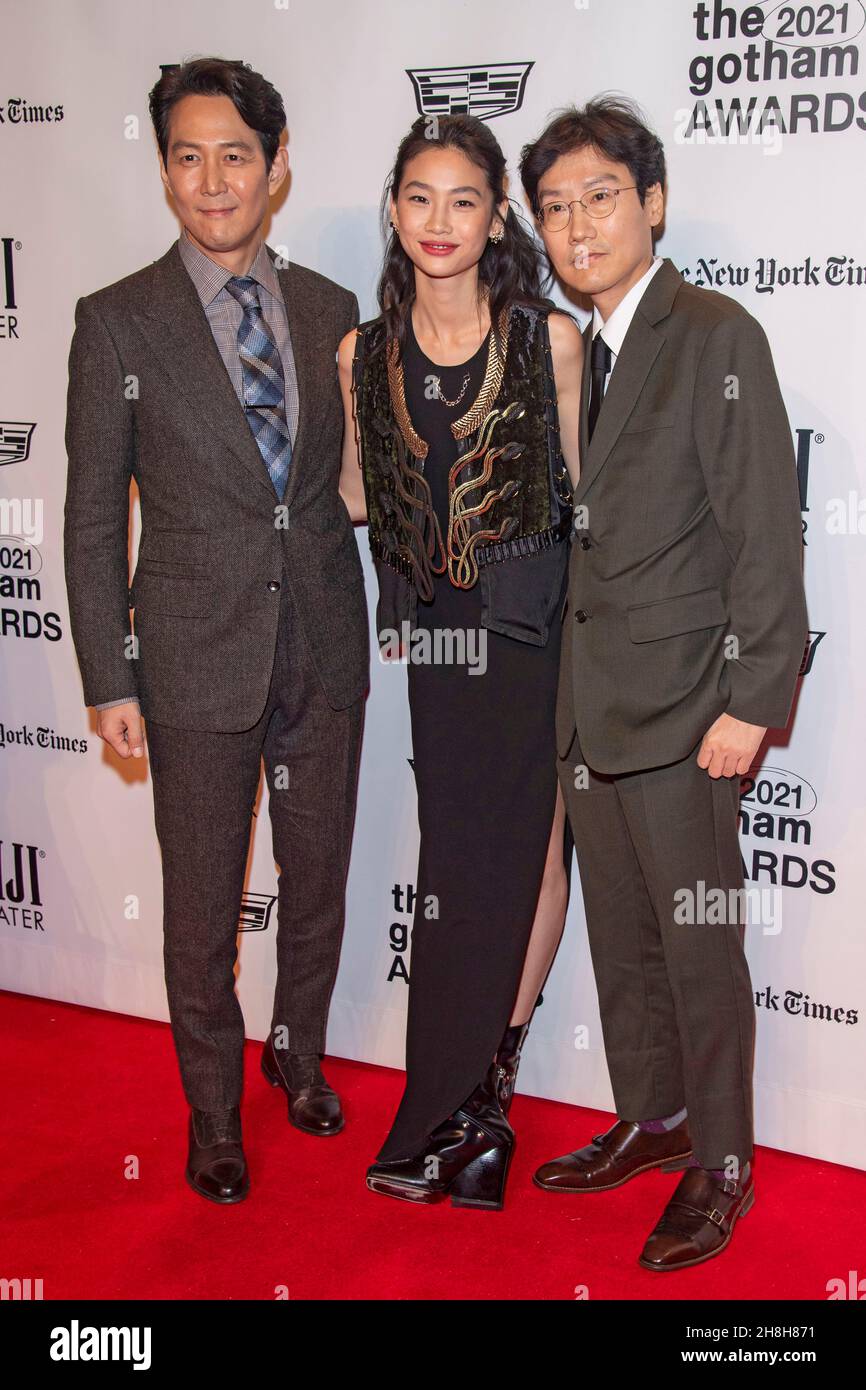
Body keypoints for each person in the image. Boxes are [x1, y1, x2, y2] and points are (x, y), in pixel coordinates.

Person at [63, 58, 369, 1205]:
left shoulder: (333, 310)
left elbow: (346, 484)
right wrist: (109, 673)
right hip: (190, 658)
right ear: (162, 171)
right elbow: (93, 513)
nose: (212, 178)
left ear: (277, 167)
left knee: (321, 877)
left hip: (324, 640)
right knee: (199, 909)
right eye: (187, 155)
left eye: (235, 154)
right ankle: (211, 1114)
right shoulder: (117, 321)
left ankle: (299, 1052)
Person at [519, 95, 808, 1268]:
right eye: (551, 206)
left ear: (650, 203)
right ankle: (652, 1119)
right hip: (592, 705)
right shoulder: (570, 344)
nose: (575, 224)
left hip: (693, 707)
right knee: (624, 940)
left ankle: (723, 1160)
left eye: (598, 196)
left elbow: (759, 532)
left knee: (696, 944)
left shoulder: (711, 333)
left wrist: (751, 702)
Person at [337, 114, 583, 1209]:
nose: (440, 222)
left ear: (494, 219)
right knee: (453, 861)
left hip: (534, 631)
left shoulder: (548, 340)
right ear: (394, 209)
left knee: (530, 852)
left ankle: (480, 1097)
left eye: (464, 201)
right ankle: (453, 1109)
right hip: (439, 634)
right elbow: (352, 493)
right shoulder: (361, 352)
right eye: (419, 198)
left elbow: (583, 496)